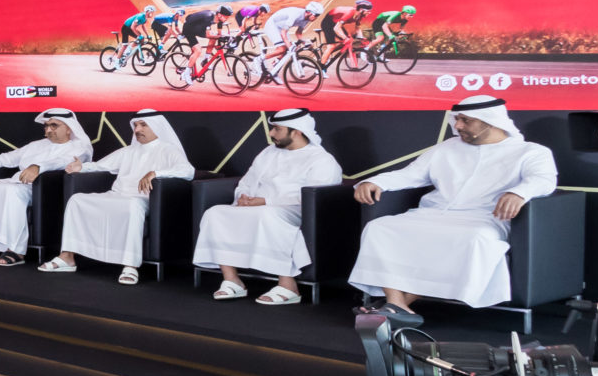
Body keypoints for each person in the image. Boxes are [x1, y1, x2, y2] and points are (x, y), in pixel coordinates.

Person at [349, 95, 558, 325]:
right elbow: (410, 174)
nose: (457, 126)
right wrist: (375, 182)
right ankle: (396, 303)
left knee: (473, 238)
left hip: (485, 219)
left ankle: (397, 305)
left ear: (490, 121)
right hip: (433, 213)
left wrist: (519, 193)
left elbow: (544, 180)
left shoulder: (530, 152)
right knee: (380, 228)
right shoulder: (447, 148)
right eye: (457, 119)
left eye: (465, 120)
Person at [195, 108, 344, 305]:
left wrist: (265, 201)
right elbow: (247, 180)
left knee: (267, 214)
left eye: (277, 129)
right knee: (215, 213)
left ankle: (288, 285)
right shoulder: (268, 152)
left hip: (295, 210)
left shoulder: (321, 160)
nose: (271, 133)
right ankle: (232, 280)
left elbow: (314, 195)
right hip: (256, 205)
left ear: (297, 131)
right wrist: (243, 197)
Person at [40, 110, 195, 284]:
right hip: (117, 195)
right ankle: (67, 257)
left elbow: (188, 171)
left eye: (143, 125)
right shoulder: (129, 151)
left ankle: (130, 266)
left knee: (132, 206)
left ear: (157, 127)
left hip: (142, 199)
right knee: (77, 200)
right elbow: (101, 165)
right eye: (136, 125)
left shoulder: (168, 150)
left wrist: (156, 173)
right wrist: (81, 167)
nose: (137, 129)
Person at [0, 107, 94, 266]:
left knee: (13, 192)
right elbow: (9, 158)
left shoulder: (79, 147)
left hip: (44, 188)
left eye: (54, 125)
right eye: (46, 126)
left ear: (69, 128)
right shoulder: (37, 145)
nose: (48, 130)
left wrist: (38, 167)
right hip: (18, 182)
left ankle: (16, 250)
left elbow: (63, 162)